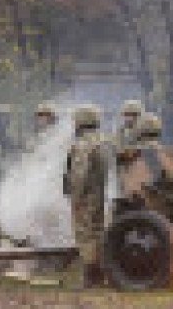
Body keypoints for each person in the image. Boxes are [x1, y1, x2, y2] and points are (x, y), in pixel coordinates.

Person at [63, 104, 109, 288]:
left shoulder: (83, 145)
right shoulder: (103, 141)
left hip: (86, 196)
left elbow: (79, 175)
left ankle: (91, 277)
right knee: (98, 232)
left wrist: (76, 198)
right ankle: (99, 275)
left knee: (85, 234)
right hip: (99, 195)